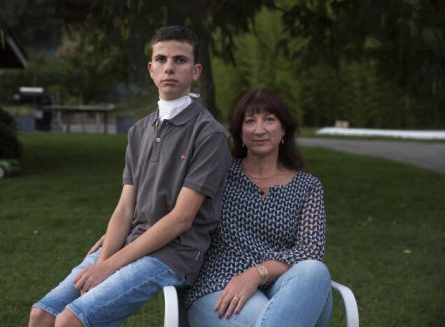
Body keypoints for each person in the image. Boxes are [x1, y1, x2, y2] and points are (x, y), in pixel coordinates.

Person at [28, 25, 231, 327]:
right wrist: (104, 262)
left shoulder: (209, 134)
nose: (169, 68)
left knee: (70, 320)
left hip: (174, 254)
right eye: (161, 60)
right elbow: (125, 208)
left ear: (196, 70)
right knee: (43, 315)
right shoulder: (139, 131)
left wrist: (108, 267)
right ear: (151, 69)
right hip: (132, 243)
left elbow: (181, 219)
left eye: (180, 60)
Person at [185, 89, 332, 327]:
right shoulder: (219, 173)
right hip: (220, 286)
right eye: (250, 121)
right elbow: (175, 208)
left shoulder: (307, 186)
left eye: (269, 119)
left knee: (314, 271)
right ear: (240, 133)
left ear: (284, 130)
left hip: (283, 286)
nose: (259, 129)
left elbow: (310, 250)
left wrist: (255, 274)